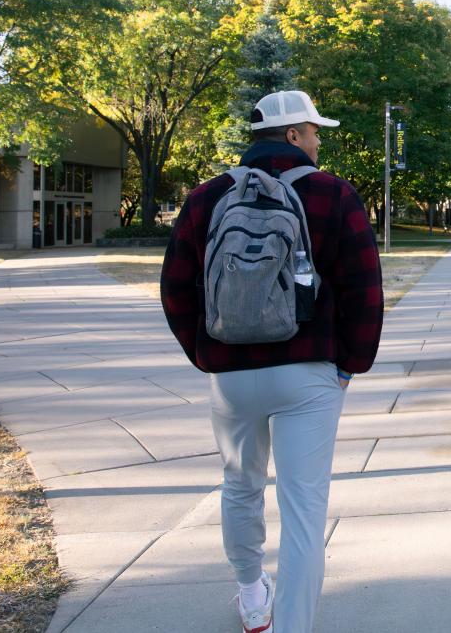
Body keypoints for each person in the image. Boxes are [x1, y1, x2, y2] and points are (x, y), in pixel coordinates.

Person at [161, 89, 384, 633]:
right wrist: (351, 365)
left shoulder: (206, 197)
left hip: (232, 375)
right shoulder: (333, 194)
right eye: (312, 132)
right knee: (305, 509)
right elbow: (363, 288)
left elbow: (174, 286)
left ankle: (251, 595)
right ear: (291, 135)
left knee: (241, 483)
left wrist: (206, 354)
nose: (317, 141)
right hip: (308, 370)